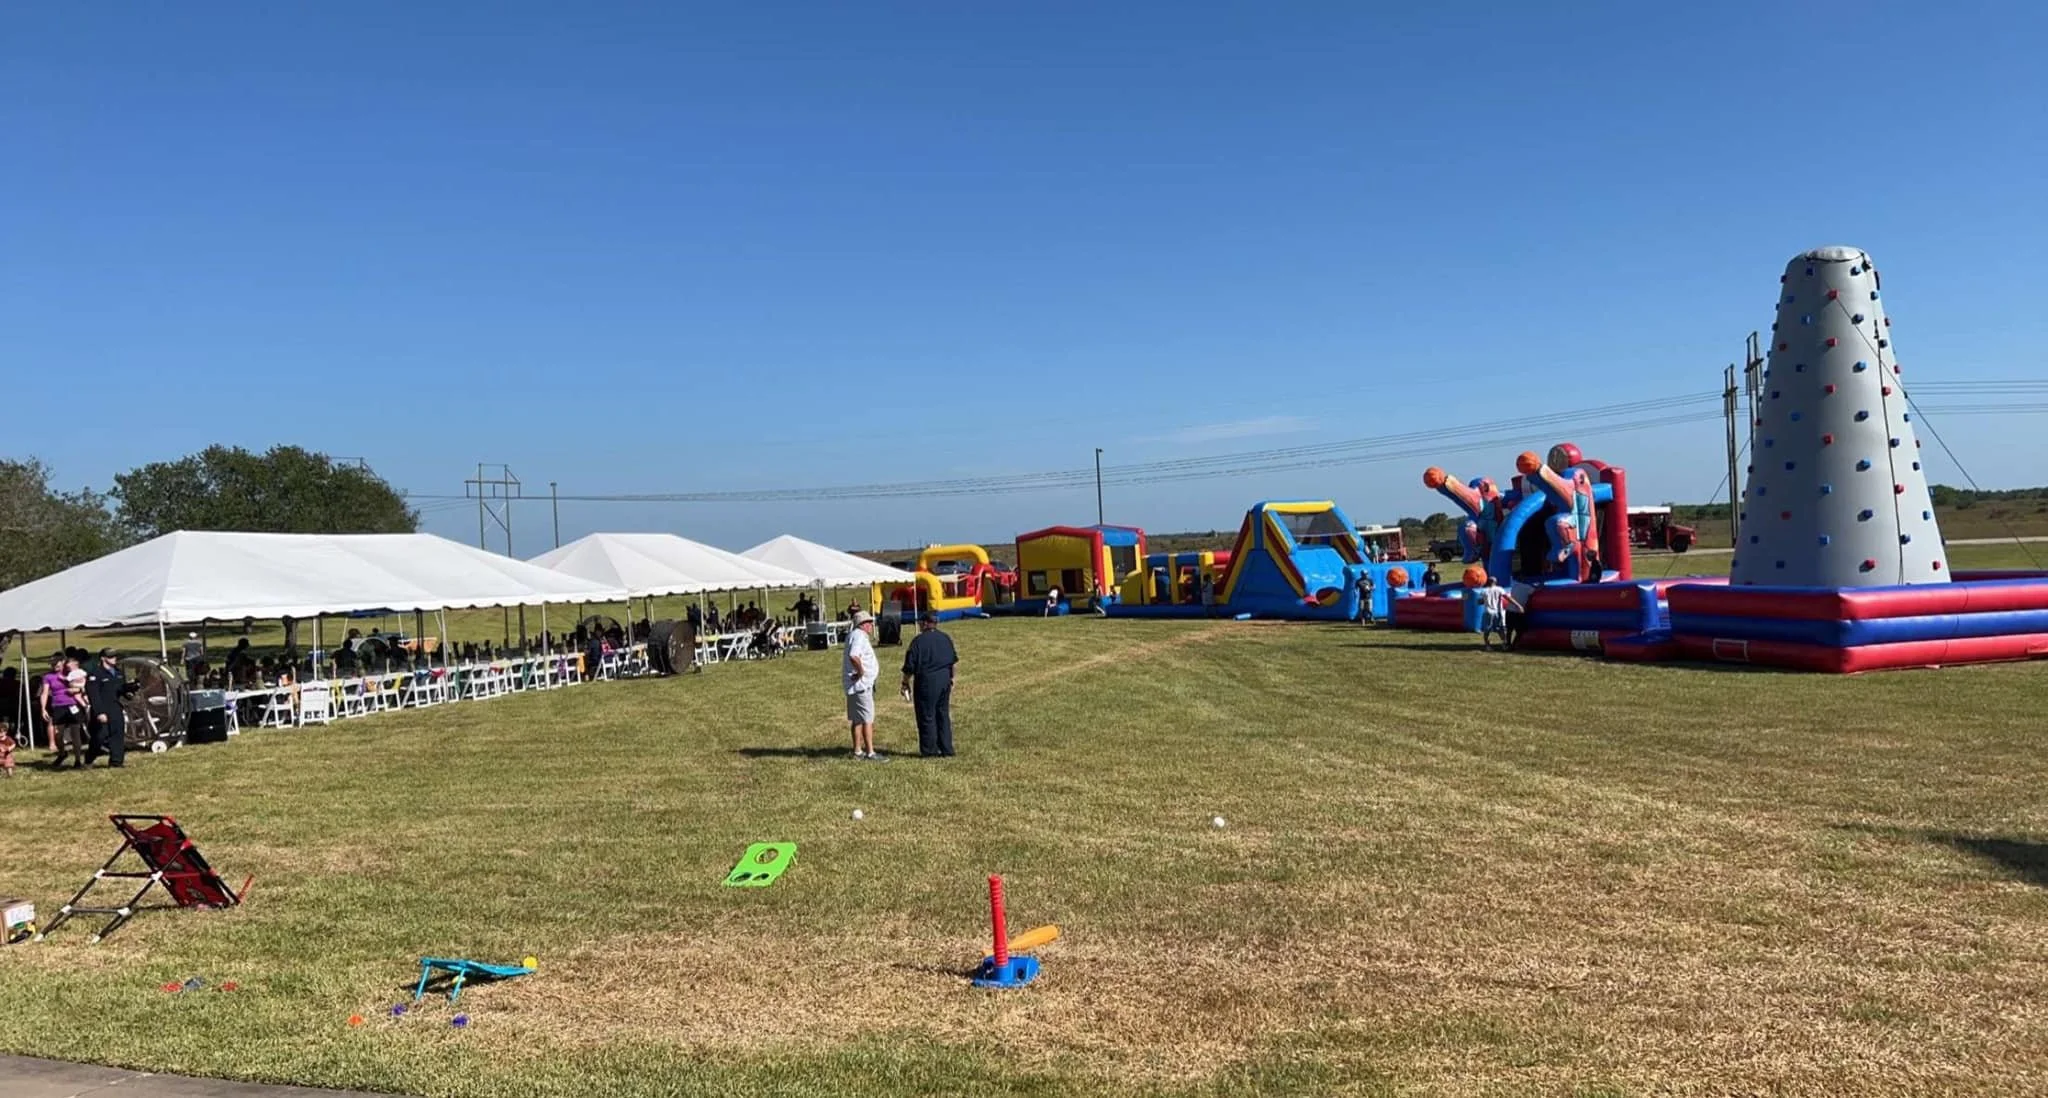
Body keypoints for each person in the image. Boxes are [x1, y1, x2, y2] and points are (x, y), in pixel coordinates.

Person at [901, 610, 959, 757]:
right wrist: (952, 678)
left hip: (927, 682)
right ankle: (946, 748)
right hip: (945, 679)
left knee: (927, 716)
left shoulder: (918, 642)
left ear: (926, 623)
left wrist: (905, 683)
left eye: (921, 623)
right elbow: (953, 661)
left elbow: (909, 667)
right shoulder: (945, 638)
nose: (920, 625)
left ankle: (929, 751)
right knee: (943, 714)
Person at [843, 610, 883, 759]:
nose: (871, 625)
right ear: (862, 624)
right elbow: (854, 655)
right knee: (867, 718)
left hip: (854, 686)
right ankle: (870, 752)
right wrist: (861, 672)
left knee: (857, 719)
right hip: (861, 685)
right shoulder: (859, 636)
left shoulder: (853, 635)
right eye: (869, 622)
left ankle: (857, 750)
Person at [39, 655, 87, 768]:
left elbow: (83, 682)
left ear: (62, 662)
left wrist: (77, 689)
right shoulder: (48, 677)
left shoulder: (70, 673)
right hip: (58, 705)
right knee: (58, 734)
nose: (54, 666)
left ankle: (78, 759)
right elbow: (45, 692)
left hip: (73, 704)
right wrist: (43, 708)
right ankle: (62, 753)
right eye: (52, 664)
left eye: (57, 663)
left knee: (75, 732)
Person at [83, 647, 127, 768]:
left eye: (114, 656)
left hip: (115, 707)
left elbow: (120, 690)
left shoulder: (118, 673)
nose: (114, 659)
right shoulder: (95, 674)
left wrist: (129, 689)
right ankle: (89, 759)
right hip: (102, 709)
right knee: (99, 737)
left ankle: (116, 762)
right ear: (103, 658)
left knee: (118, 734)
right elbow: (93, 695)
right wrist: (99, 712)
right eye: (110, 657)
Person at [1478, 576, 1522, 650]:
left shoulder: (1484, 591)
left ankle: (1487, 645)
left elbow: (1480, 602)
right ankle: (1504, 644)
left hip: (1488, 612)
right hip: (1498, 612)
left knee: (1487, 629)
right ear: (1495, 582)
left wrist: (1484, 601)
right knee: (1500, 628)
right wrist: (1518, 605)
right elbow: (1508, 598)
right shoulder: (1499, 589)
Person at [1507, 576, 1536, 648]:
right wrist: (1541, 585)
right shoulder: (1527, 588)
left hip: (1509, 610)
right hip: (1519, 611)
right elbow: (1536, 590)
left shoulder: (1514, 585)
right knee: (1520, 630)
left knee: (1509, 629)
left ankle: (1508, 644)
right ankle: (1514, 645)